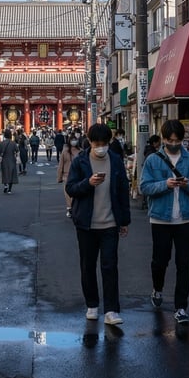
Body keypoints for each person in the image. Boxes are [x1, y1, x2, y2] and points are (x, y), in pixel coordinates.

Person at [139, 119, 189, 325]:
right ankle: (157, 289)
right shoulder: (153, 160)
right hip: (160, 219)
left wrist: (187, 184)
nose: (173, 143)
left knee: (184, 263)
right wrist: (165, 184)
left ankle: (181, 307)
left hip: (185, 218)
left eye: (177, 140)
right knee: (160, 261)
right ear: (163, 139)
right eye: (169, 140)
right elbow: (144, 187)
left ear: (182, 140)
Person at [65, 123, 131, 326]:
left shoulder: (116, 161)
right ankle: (92, 304)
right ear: (90, 142)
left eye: (104, 143)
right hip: (86, 224)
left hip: (110, 223)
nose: (100, 147)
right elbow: (71, 188)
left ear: (109, 142)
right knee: (88, 265)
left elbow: (122, 191)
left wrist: (124, 221)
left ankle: (111, 310)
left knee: (110, 266)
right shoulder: (81, 161)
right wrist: (88, 183)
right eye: (96, 143)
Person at [58, 132, 82, 217]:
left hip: (78, 175)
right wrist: (59, 177)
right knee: (68, 193)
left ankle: (75, 208)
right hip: (66, 175)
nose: (74, 141)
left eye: (75, 140)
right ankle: (69, 208)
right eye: (72, 140)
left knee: (77, 192)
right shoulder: (65, 152)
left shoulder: (81, 151)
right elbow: (61, 165)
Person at [0, 128, 20, 194]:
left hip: (4, 160)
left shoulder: (2, 143)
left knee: (5, 174)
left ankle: (5, 185)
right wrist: (17, 157)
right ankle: (9, 189)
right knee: (11, 174)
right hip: (12, 160)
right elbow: (17, 151)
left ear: (4, 135)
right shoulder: (13, 143)